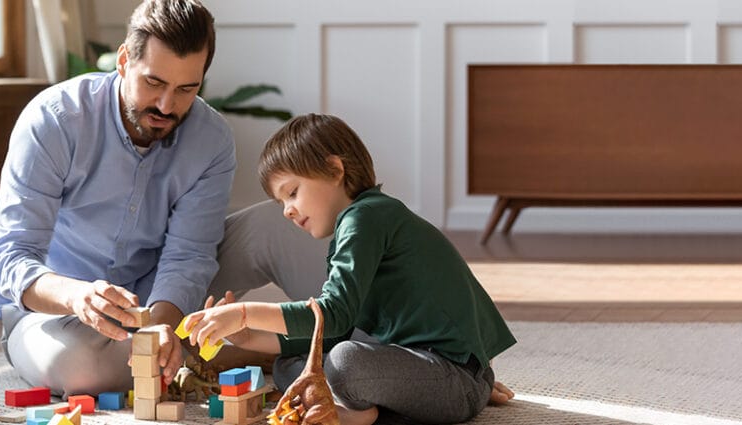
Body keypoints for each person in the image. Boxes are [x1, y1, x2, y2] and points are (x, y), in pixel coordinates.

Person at [185, 113, 518, 425]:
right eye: (281, 203)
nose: (287, 210)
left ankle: (362, 415)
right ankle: (358, 408)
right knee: (292, 368)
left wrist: (245, 312)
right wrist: (249, 337)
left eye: (292, 193)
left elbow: (334, 315)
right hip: (420, 368)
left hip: (455, 378)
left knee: (345, 362)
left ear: (334, 170)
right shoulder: (358, 225)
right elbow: (336, 331)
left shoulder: (365, 219)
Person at [0, 0, 233, 396]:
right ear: (123, 61)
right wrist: (76, 296)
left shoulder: (212, 139)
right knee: (83, 372)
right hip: (54, 313)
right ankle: (222, 350)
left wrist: (160, 325)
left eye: (187, 88)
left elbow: (189, 255)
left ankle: (342, 344)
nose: (167, 106)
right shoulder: (53, 120)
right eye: (154, 83)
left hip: (158, 302)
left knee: (272, 229)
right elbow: (13, 257)